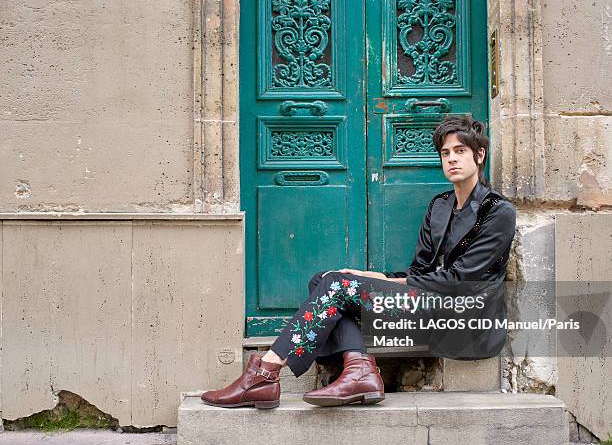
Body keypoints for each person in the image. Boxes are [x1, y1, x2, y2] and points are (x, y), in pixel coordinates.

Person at [200, 115, 517, 409]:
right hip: (427, 305)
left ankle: (266, 372)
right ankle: (359, 368)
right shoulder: (440, 206)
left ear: (479, 155)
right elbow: (420, 273)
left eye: (460, 150)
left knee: (338, 286)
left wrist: (372, 284)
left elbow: (461, 282)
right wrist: (371, 275)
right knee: (326, 279)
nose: (451, 158)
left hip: (464, 322)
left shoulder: (498, 212)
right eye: (445, 152)